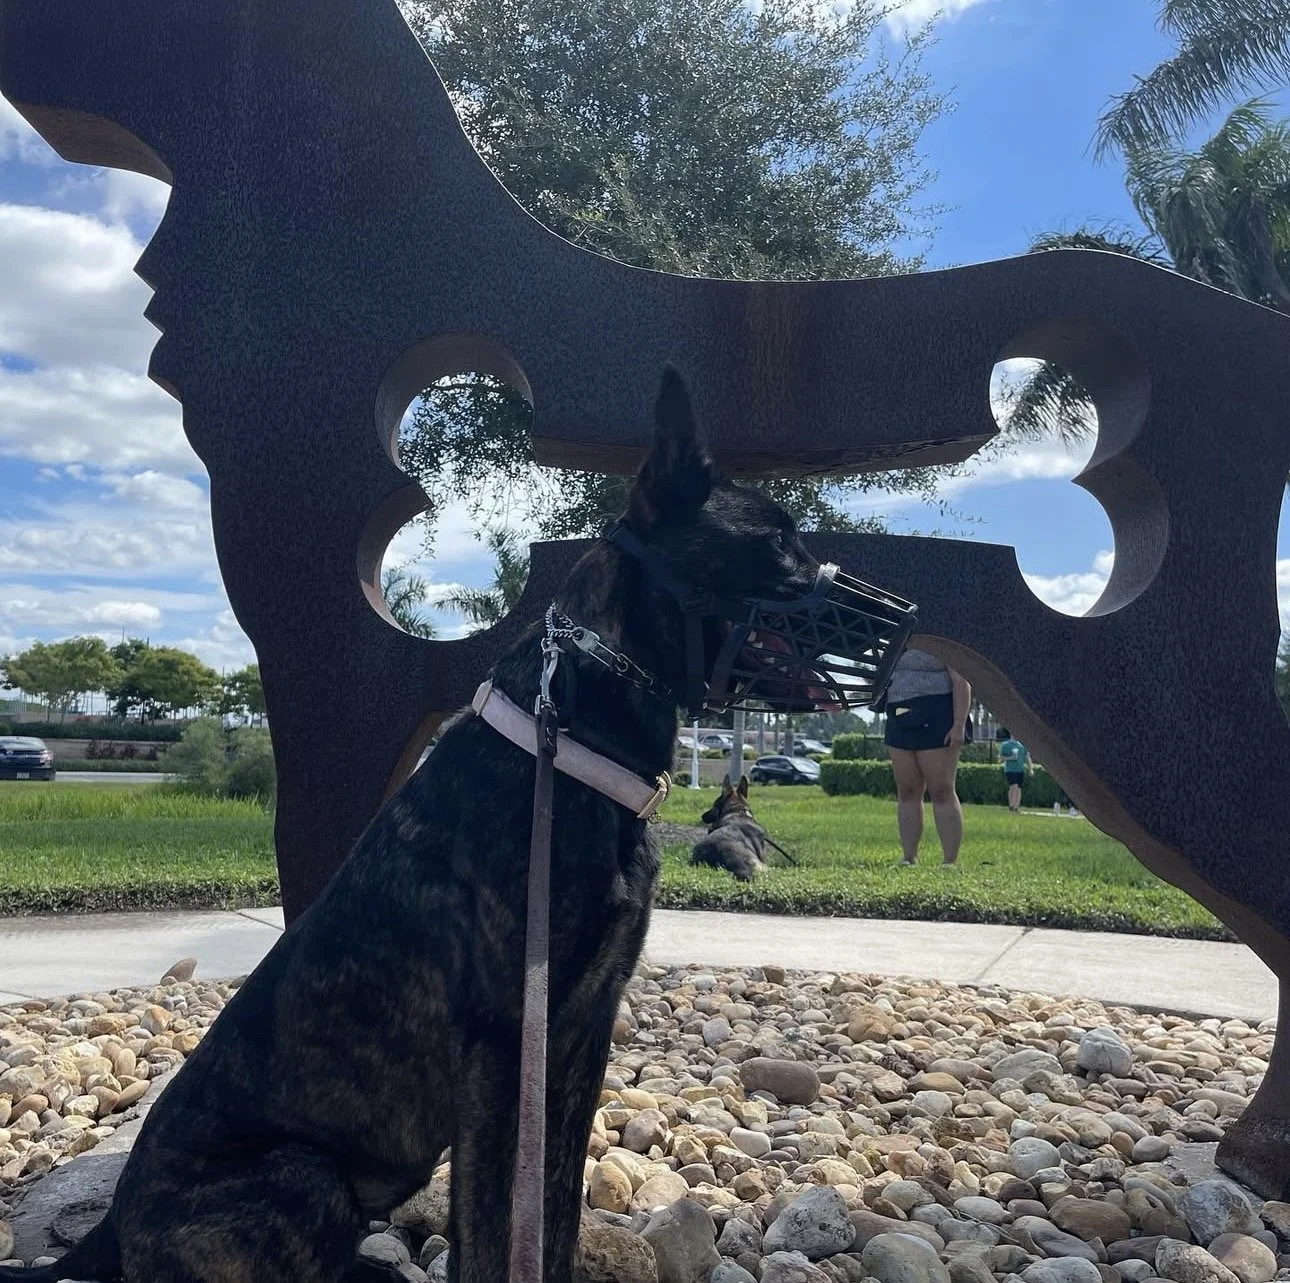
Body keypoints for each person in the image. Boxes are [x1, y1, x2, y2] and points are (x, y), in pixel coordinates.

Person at [880, 647, 971, 866]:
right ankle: (909, 857)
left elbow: (962, 682)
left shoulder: (941, 632)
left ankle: (949, 861)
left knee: (941, 789)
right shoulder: (893, 635)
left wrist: (958, 725)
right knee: (907, 790)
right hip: (898, 711)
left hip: (938, 712)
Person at [996, 726, 1032, 812]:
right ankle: (1011, 805)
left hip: (1020, 770)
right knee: (1014, 786)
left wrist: (1030, 768)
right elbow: (1000, 759)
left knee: (1018, 788)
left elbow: (1027, 757)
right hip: (1010, 770)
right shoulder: (1006, 745)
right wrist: (1010, 757)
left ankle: (1016, 806)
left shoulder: (1022, 745)